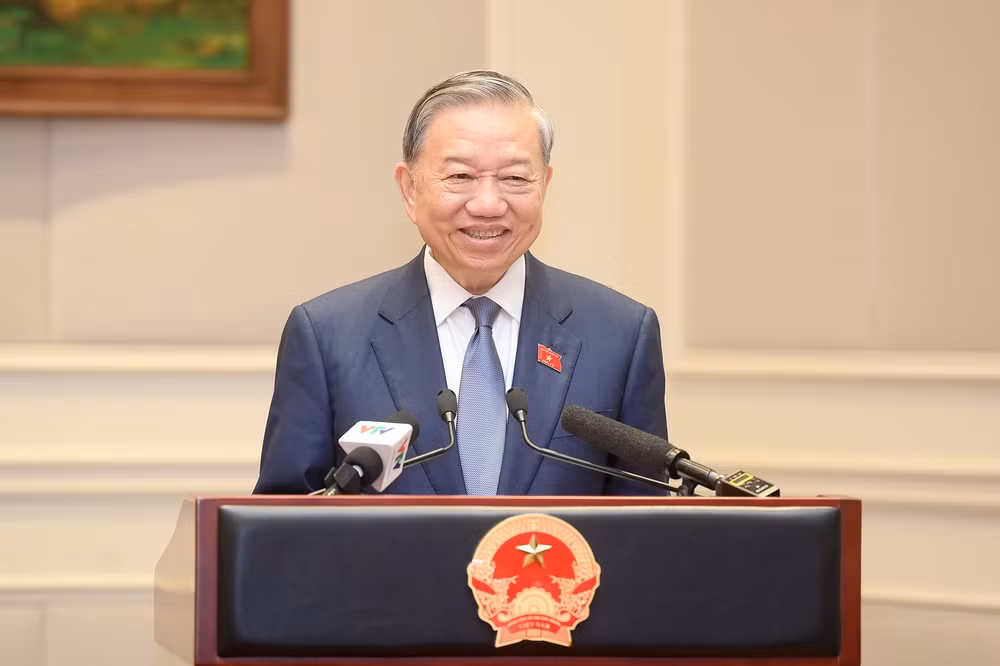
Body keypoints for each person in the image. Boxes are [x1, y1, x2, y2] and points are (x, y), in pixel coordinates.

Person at [254, 70, 667, 495]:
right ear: (410, 190)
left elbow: (646, 522)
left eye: (515, 178)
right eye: (460, 177)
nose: (488, 204)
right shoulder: (327, 336)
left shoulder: (619, 336)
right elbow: (281, 520)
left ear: (544, 185)